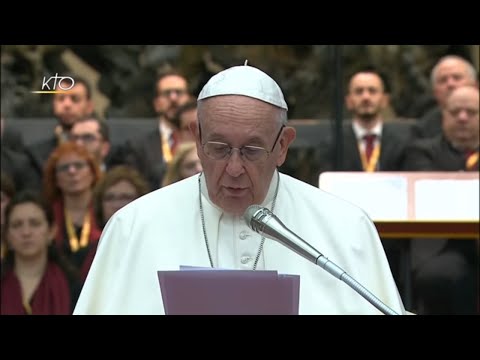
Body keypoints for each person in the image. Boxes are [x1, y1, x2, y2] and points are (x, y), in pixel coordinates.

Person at [74, 63, 406, 315]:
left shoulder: (345, 226)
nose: (234, 169)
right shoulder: (132, 227)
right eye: (218, 148)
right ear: (197, 137)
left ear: (283, 145)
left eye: (251, 150)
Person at [403, 85, 479, 315]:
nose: (463, 118)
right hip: (443, 245)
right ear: (443, 116)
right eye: (455, 112)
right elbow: (435, 192)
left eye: (472, 112)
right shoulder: (422, 152)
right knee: (440, 275)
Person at [1, 191, 81, 314]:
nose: (26, 232)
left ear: (51, 231)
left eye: (35, 224)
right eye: (17, 225)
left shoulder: (72, 285)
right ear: (7, 235)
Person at [413, 56, 478, 139]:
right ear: (435, 92)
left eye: (457, 77)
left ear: (475, 85)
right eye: (443, 80)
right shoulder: (423, 130)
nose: (450, 84)